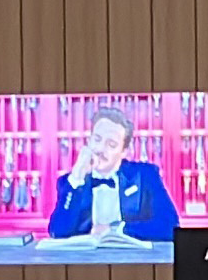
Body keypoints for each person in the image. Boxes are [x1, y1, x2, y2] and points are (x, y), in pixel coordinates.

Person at [41, 104, 178, 249]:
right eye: (97, 140)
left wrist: (116, 229)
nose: (100, 149)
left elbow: (170, 226)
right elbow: (57, 232)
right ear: (89, 141)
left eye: (111, 144)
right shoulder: (70, 182)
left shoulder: (145, 176)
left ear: (124, 151)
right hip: (85, 261)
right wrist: (77, 178)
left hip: (133, 260)